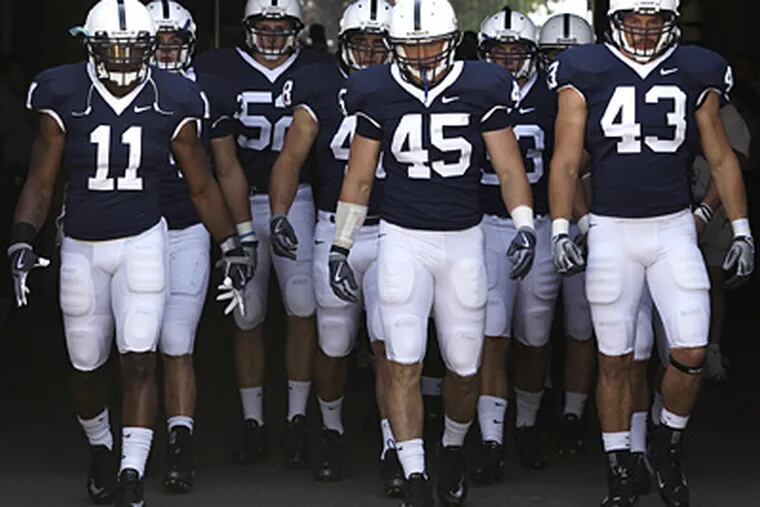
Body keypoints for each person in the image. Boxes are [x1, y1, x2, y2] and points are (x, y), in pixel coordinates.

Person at [6, 1, 253, 505]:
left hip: (144, 238)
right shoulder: (64, 92)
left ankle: (131, 471)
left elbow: (201, 185)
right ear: (91, 49)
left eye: (133, 49)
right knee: (85, 365)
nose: (122, 60)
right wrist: (21, 236)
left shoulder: (174, 96)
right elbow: (41, 178)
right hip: (80, 243)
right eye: (112, 49)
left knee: (140, 359)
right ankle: (101, 445)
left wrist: (232, 244)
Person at [548, 1, 754, 506]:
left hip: (673, 227)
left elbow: (722, 155)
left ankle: (666, 440)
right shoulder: (585, 69)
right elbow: (567, 158)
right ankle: (620, 467)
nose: (643, 31)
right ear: (615, 24)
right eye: (634, 22)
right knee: (616, 360)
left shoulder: (695, 68)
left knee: (691, 351)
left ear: (670, 23)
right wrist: (559, 226)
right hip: (612, 229)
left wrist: (743, 227)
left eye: (654, 21)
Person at [335, 0, 536, 504]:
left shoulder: (482, 86)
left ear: (451, 42)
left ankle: (450, 448)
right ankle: (416, 472)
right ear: (395, 48)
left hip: (464, 240)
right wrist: (340, 244)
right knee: (402, 360)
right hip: (402, 239)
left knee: (465, 367)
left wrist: (525, 225)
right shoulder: (376, 91)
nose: (422, 55)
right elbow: (360, 176)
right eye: (411, 46)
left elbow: (509, 168)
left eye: (430, 44)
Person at [268, 0, 404, 493]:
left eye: (378, 44)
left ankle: (397, 443)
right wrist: (280, 213)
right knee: (332, 342)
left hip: (396, 230)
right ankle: (330, 430)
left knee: (392, 345)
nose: (369, 53)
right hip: (333, 227)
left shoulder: (412, 84)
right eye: (360, 43)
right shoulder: (322, 86)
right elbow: (291, 156)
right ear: (343, 46)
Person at [194, 0, 331, 468]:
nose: (272, 37)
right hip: (240, 199)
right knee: (247, 316)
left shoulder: (317, 70)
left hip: (298, 200)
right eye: (264, 28)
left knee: (301, 305)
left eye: (281, 28)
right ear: (248, 29)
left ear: (297, 29)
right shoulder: (218, 70)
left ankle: (295, 416)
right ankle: (252, 419)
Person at [146, 0, 255, 493]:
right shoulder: (113, 85)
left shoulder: (208, 91)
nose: (167, 50)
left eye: (174, 41)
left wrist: (239, 236)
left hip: (188, 227)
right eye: (159, 40)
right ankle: (131, 447)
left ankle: (179, 443)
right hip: (131, 229)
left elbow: (226, 169)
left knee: (177, 343)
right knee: (134, 347)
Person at [470, 6, 553, 481]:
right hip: (485, 225)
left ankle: (526, 424)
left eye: (516, 49)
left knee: (536, 337)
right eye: (498, 50)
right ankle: (493, 437)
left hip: (537, 224)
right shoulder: (472, 89)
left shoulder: (553, 94)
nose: (506, 58)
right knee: (492, 335)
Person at [537, 12, 597, 457]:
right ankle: (530, 413)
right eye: (555, 56)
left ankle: (574, 413)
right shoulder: (524, 97)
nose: (564, 64)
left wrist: (586, 222)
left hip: (591, 221)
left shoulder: (602, 91)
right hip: (535, 224)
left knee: (581, 327)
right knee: (529, 330)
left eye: (573, 55)